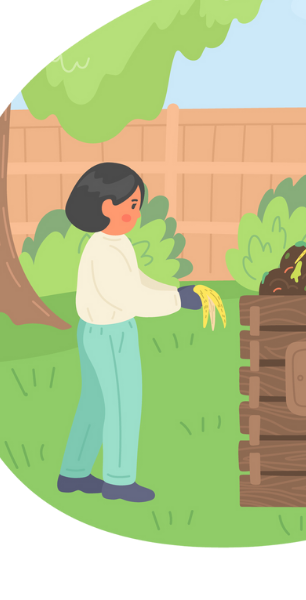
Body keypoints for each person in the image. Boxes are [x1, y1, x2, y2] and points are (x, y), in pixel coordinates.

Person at [56, 163, 204, 502]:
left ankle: (73, 473)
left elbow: (138, 280)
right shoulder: (104, 250)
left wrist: (177, 289)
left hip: (92, 331)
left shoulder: (112, 242)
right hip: (111, 334)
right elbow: (130, 298)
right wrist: (177, 301)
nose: (137, 212)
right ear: (108, 206)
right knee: (123, 405)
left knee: (94, 405)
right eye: (133, 205)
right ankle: (119, 481)